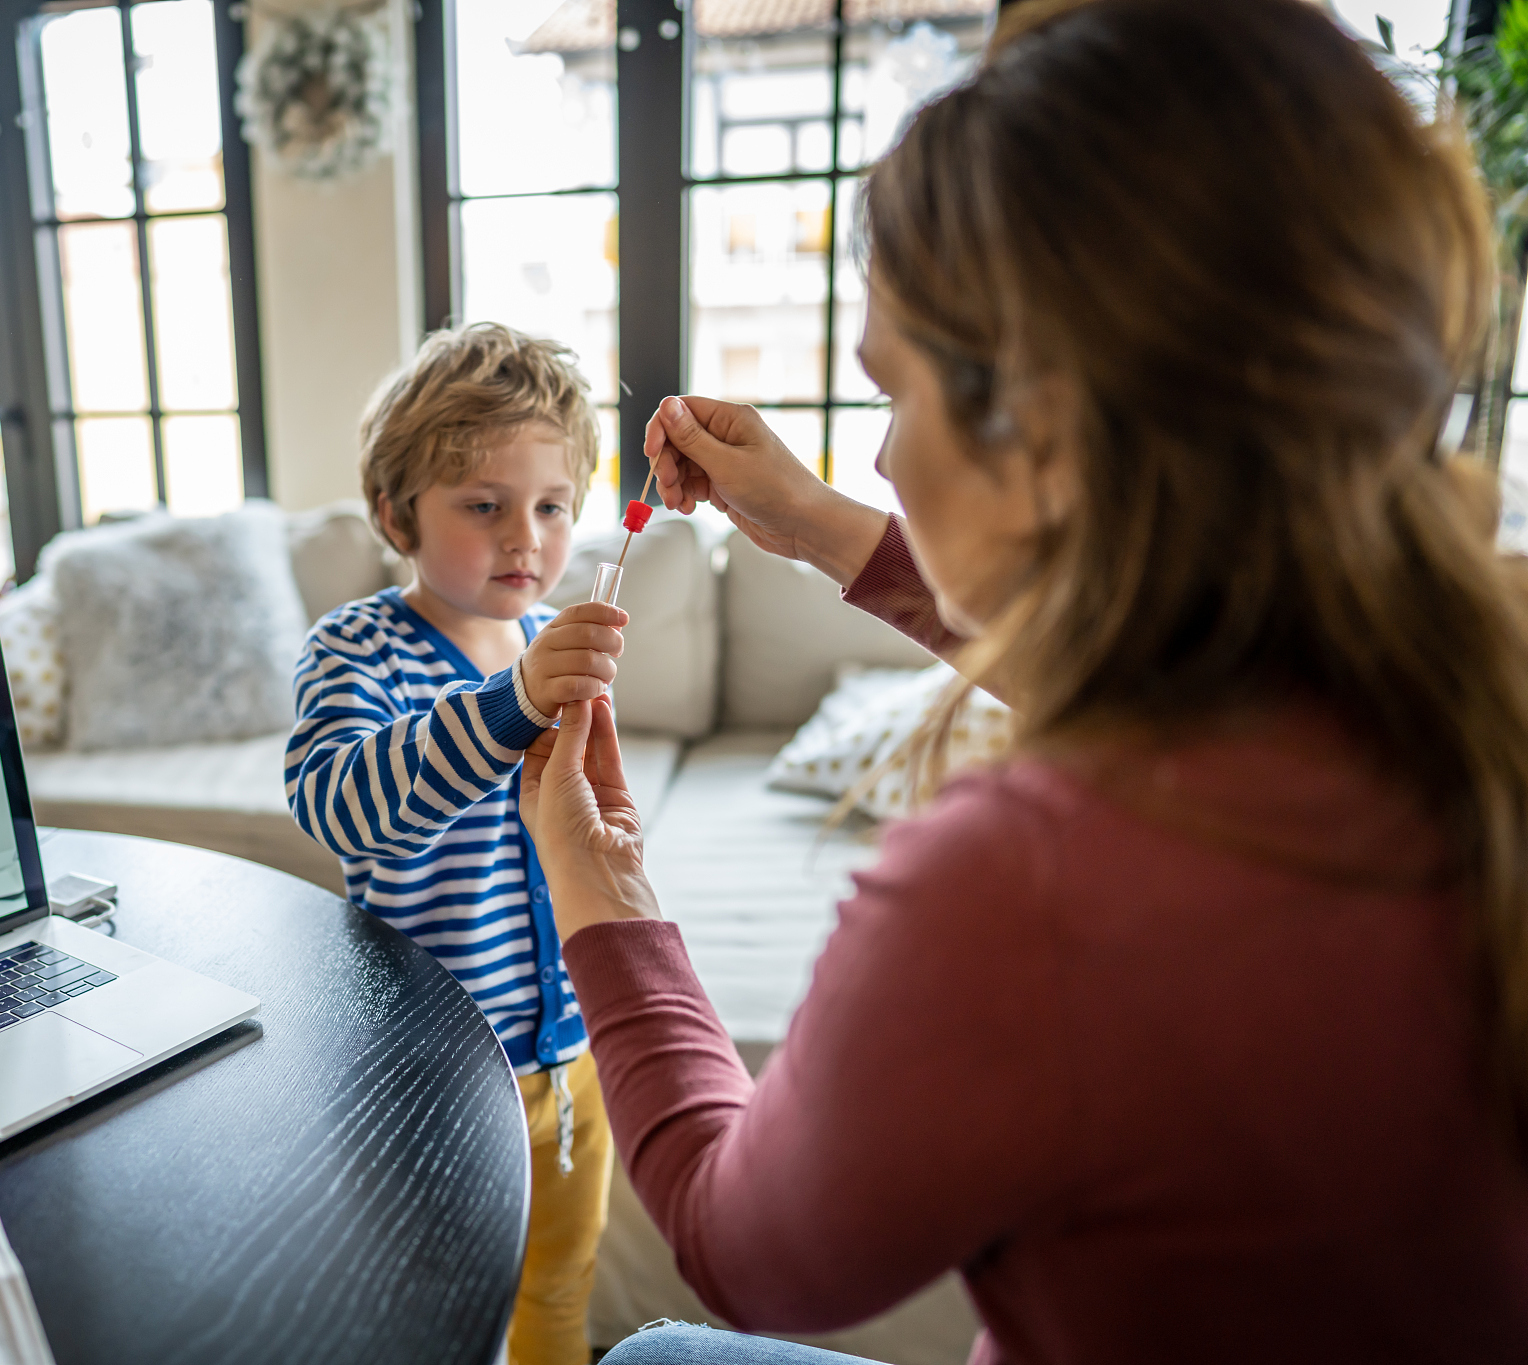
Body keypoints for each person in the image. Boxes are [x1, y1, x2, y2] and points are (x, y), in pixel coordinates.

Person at [518, 1, 1528, 1361]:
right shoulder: (1456, 685)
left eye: (898, 395)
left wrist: (603, 893)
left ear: (1045, 428)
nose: (885, 459)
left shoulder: (1028, 884)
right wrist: (815, 525)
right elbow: (1164, 673)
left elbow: (741, 1245)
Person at [286, 322, 628, 1365]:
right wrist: (511, 703)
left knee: (559, 1289)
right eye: (484, 506)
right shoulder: (356, 649)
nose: (526, 538)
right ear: (396, 512)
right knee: (436, 1313)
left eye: (552, 506)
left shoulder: (549, 642)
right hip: (437, 1076)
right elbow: (338, 805)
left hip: (569, 1061)